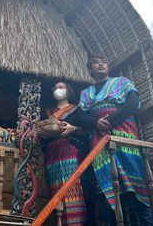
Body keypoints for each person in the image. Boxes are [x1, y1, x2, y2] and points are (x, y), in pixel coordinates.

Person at [61, 54, 153, 226]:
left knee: (136, 185)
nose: (101, 64)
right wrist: (96, 123)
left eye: (103, 61)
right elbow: (81, 116)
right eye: (96, 63)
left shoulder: (122, 82)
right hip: (99, 142)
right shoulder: (86, 93)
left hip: (125, 138)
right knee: (105, 190)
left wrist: (111, 121)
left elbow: (133, 102)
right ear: (90, 69)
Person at [40, 82, 90, 226]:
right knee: (56, 191)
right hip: (52, 156)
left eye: (61, 87)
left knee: (74, 189)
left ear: (68, 91)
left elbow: (87, 131)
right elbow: (41, 133)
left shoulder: (77, 110)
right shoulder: (48, 112)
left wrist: (73, 128)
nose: (58, 90)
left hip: (72, 154)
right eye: (55, 88)